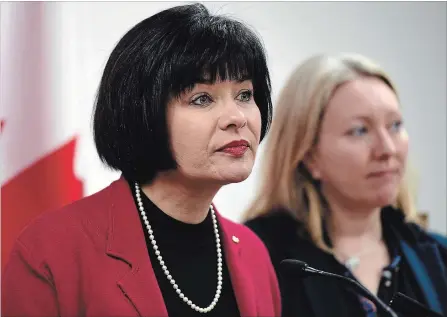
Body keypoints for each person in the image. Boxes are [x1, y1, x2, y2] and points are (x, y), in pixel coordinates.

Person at [1, 4, 281, 317]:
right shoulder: (52, 249)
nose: (236, 117)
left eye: (245, 94)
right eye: (202, 98)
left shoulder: (253, 252)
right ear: (142, 113)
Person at [243, 53, 447, 317]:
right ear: (308, 155)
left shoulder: (436, 257)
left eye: (395, 125)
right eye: (360, 130)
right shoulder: (257, 258)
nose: (387, 149)